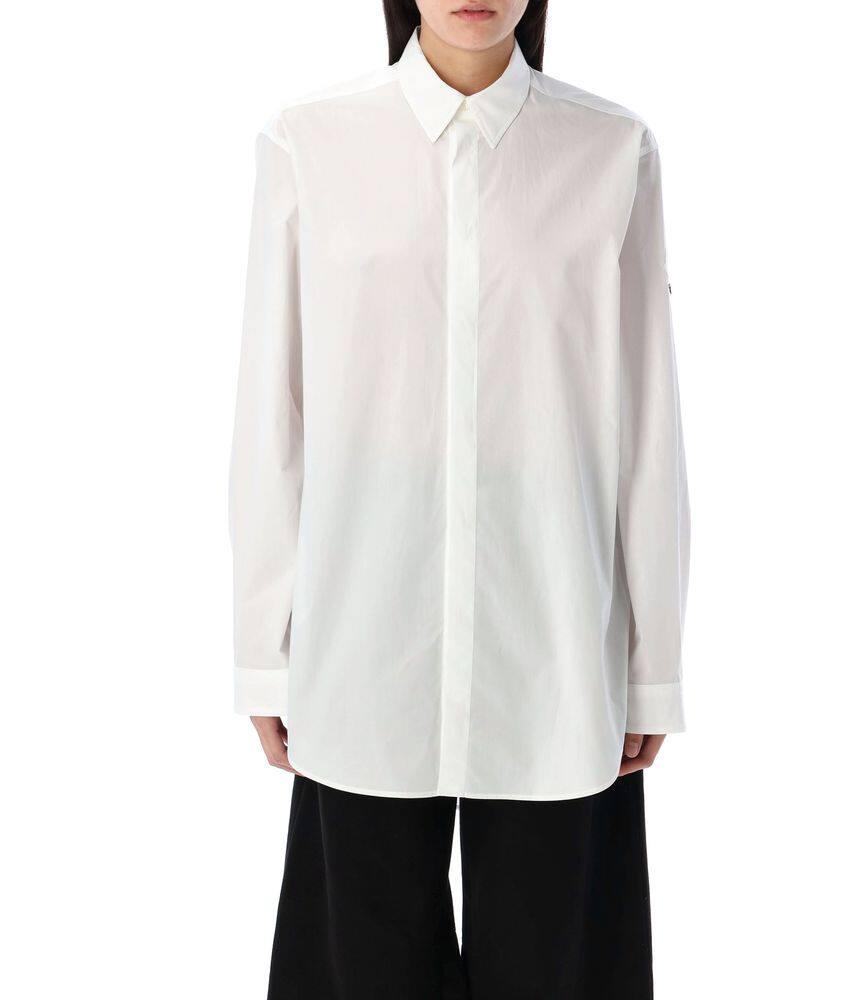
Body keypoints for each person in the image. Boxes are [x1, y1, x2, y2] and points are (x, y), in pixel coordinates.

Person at [229, 1, 689, 996]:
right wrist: (264, 651)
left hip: (556, 640)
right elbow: (273, 413)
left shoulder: (612, 151)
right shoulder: (310, 143)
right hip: (363, 641)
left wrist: (652, 661)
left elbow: (647, 419)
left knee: (558, 968)